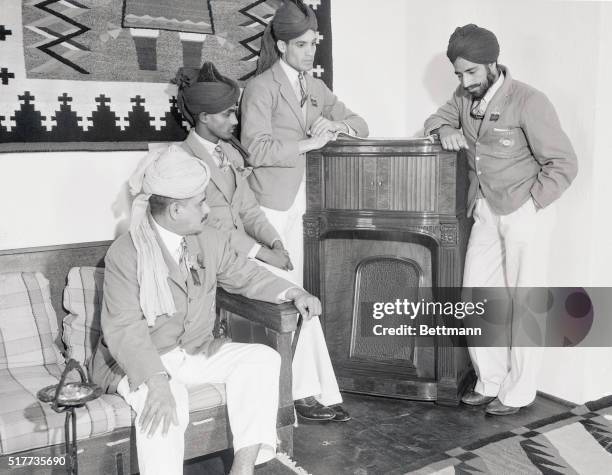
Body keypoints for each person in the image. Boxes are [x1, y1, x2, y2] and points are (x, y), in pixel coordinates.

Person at [89, 144, 322, 475]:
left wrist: (293, 292)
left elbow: (246, 274)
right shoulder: (126, 254)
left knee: (263, 359)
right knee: (169, 403)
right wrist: (155, 383)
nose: (207, 210)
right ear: (175, 210)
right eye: (200, 202)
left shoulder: (208, 239)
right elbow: (124, 329)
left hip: (194, 352)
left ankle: (242, 470)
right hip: (138, 362)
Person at [174, 61, 350, 422]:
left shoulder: (231, 153)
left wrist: (274, 240)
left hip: (240, 253)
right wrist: (261, 253)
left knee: (303, 299)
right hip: (213, 260)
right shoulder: (185, 161)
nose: (236, 121)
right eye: (227, 114)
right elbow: (211, 229)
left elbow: (247, 206)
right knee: (295, 304)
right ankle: (302, 395)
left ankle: (311, 391)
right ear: (205, 117)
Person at [424, 24, 577, 415]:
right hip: (486, 211)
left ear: (492, 63)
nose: (465, 81)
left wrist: (532, 204)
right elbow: (435, 120)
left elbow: (563, 163)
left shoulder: (528, 100)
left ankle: (519, 390)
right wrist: (444, 130)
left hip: (526, 212)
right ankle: (490, 380)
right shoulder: (462, 96)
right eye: (459, 74)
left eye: (471, 72)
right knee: (474, 295)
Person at [240, 0, 369, 286]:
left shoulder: (315, 88)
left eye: (313, 43)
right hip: (268, 205)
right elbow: (254, 150)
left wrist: (338, 125)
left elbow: (361, 126)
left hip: (306, 203)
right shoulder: (260, 88)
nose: (311, 52)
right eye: (301, 45)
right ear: (282, 46)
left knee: (298, 283)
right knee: (270, 284)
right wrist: (308, 143)